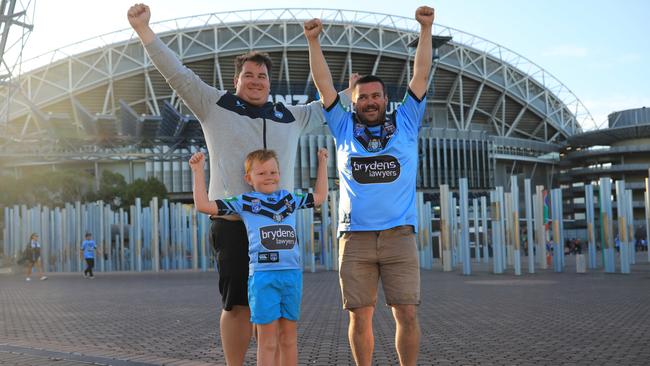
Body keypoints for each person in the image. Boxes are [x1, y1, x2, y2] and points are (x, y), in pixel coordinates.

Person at [126, 4, 353, 364]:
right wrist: (144, 32)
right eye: (248, 75)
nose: (256, 80)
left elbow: (329, 101)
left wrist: (314, 45)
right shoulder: (215, 105)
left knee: (279, 314)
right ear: (236, 80)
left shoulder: (290, 117)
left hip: (277, 232)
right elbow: (177, 74)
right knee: (238, 306)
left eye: (262, 75)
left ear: (269, 81)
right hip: (233, 226)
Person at [304, 6, 433, 366]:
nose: (370, 101)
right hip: (355, 238)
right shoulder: (343, 126)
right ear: (355, 101)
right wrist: (313, 41)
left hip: (399, 236)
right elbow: (324, 86)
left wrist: (426, 30)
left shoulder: (405, 121)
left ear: (386, 99)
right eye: (363, 97)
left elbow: (420, 76)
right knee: (359, 315)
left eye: (376, 96)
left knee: (406, 313)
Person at [189, 148, 329, 366]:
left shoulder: (290, 199)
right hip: (263, 278)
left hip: (291, 276)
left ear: (280, 174)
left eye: (273, 172)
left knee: (289, 339)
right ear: (249, 178)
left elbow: (319, 197)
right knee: (267, 341)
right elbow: (204, 206)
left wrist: (323, 163)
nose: (269, 177)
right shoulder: (245, 202)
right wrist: (198, 171)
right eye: (261, 173)